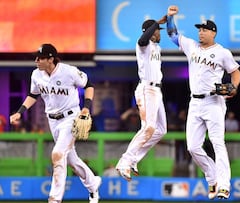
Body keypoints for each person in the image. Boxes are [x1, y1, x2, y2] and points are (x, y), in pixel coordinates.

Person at [9, 43, 101, 203]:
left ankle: (55, 199)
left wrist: (86, 108)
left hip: (71, 118)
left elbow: (89, 86)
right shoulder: (36, 74)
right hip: (52, 120)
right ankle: (93, 184)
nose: (36, 60)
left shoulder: (69, 71)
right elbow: (33, 95)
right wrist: (19, 112)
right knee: (71, 160)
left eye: (40, 58)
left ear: (50, 59)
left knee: (57, 154)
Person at [166, 5, 240, 200]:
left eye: (204, 29)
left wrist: (234, 87)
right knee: (192, 146)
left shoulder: (222, 52)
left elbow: (235, 72)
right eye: (199, 29)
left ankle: (224, 185)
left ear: (213, 33)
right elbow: (173, 35)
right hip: (195, 102)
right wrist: (170, 17)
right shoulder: (191, 46)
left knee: (218, 143)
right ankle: (212, 178)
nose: (200, 32)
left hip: (214, 101)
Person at [116, 16, 168, 181]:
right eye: (159, 31)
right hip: (147, 88)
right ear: (152, 32)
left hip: (156, 90)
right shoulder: (143, 46)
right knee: (149, 127)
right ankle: (125, 161)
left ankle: (133, 159)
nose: (160, 34)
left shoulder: (156, 48)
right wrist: (156, 24)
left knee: (160, 130)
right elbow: (142, 39)